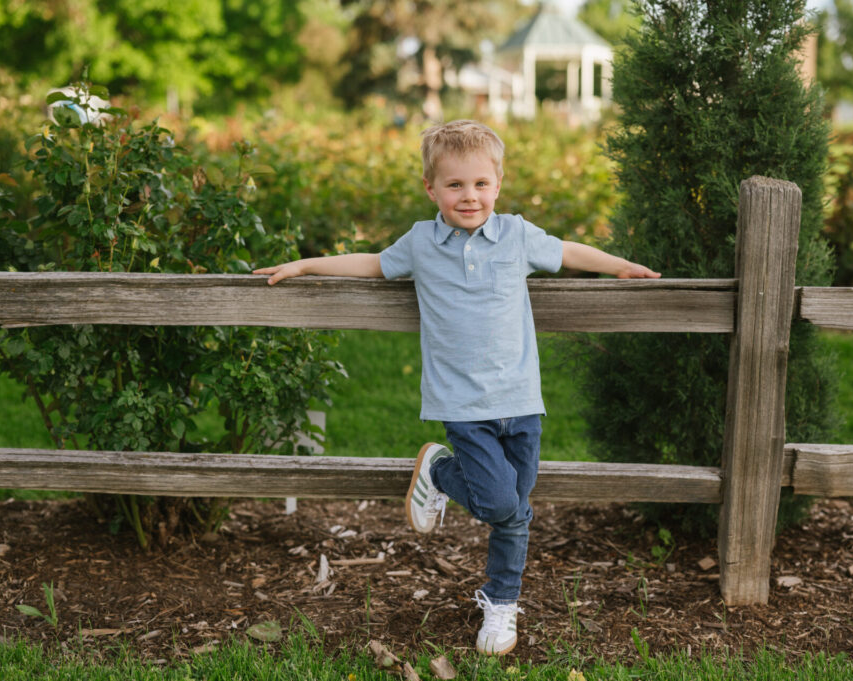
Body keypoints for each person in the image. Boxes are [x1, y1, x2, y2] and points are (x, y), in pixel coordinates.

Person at [255, 119, 659, 655]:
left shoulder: (516, 234)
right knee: (502, 507)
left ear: (497, 184)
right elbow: (374, 264)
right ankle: (475, 544)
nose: (469, 196)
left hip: (522, 401)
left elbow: (567, 252)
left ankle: (472, 542)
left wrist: (620, 266)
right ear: (431, 189)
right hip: (463, 404)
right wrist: (307, 264)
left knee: (516, 501)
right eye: (454, 185)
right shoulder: (422, 242)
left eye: (480, 184)